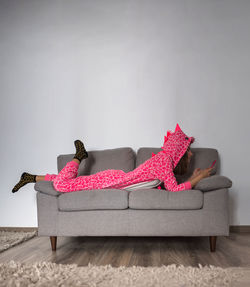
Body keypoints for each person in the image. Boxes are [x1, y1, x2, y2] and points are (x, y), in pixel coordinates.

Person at [12, 123, 213, 193]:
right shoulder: (163, 161)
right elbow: (175, 189)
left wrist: (192, 178)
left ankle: (31, 177)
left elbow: (174, 186)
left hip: (113, 180)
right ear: (179, 149)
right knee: (64, 186)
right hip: (113, 181)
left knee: (68, 183)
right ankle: (78, 156)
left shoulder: (164, 161)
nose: (192, 153)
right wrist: (198, 178)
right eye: (188, 149)